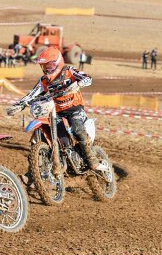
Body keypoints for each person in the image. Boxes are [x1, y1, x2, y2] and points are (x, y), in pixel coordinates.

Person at [6, 47, 100, 185]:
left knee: (77, 129)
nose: (46, 69)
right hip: (55, 112)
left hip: (74, 109)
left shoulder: (69, 71)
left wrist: (78, 83)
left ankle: (92, 159)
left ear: (57, 62)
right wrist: (19, 105)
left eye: (49, 65)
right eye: (44, 66)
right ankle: (33, 174)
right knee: (41, 138)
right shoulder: (44, 81)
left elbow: (88, 78)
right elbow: (32, 94)